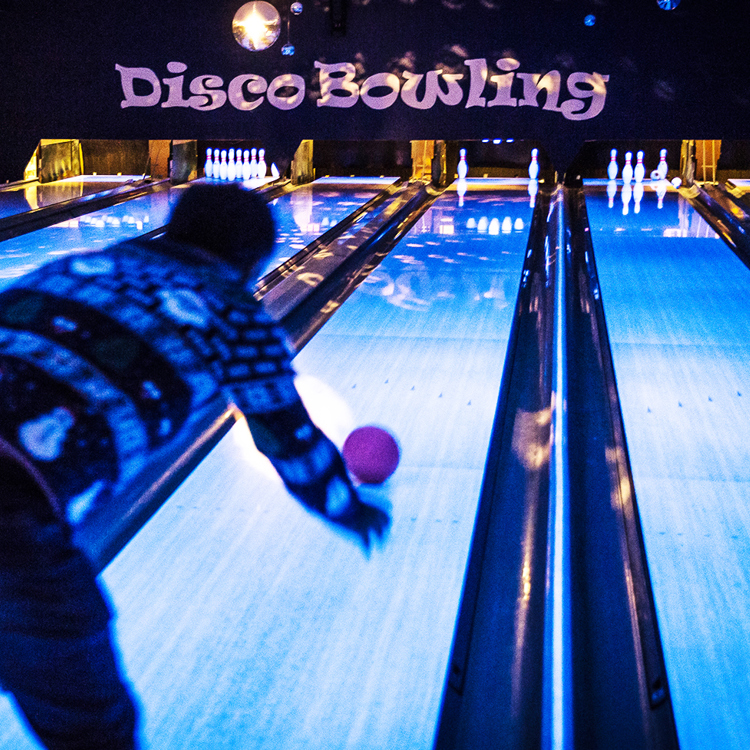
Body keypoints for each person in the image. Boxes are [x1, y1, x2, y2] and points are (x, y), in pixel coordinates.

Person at [0, 182, 390, 750]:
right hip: (11, 519)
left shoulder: (76, 265)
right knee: (90, 727)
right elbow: (288, 439)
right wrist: (345, 506)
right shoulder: (236, 317)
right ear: (254, 260)